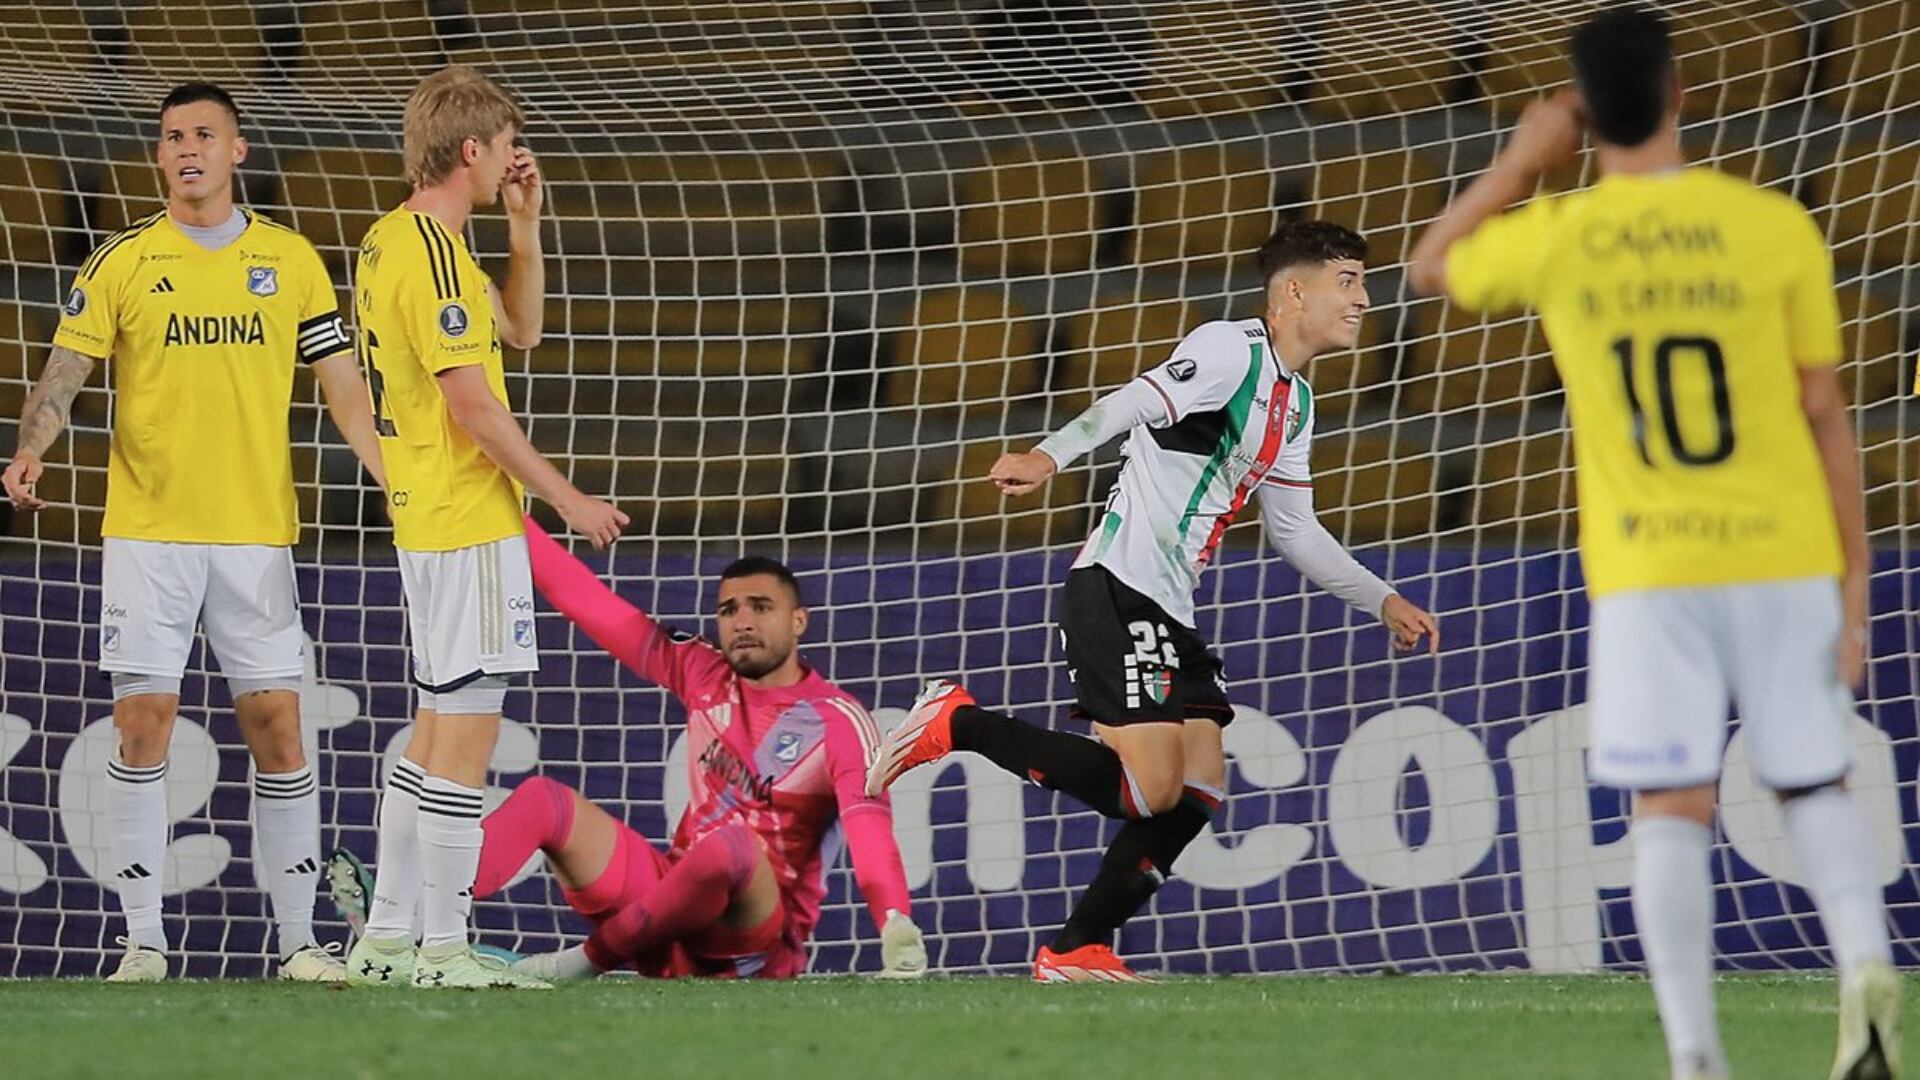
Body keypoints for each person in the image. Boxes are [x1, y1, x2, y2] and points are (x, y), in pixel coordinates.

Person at [1406, 8, 1899, 1079]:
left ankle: (1695, 1057)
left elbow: (1429, 266)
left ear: (1584, 117)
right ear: (1682, 92)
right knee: (1814, 781)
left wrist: (1522, 161)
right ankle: (1863, 962)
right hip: (1783, 551)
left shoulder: (1565, 233)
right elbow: (1826, 412)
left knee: (1668, 806)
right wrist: (1855, 585)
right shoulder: (1772, 225)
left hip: (1649, 564)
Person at [868, 219, 1440, 982]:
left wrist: (1382, 598)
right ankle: (957, 723)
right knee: (1150, 789)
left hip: (1170, 608)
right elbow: (1133, 401)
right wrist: (1047, 455)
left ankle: (1075, 948)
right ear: (1293, 291)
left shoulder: (1295, 402)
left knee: (1198, 788)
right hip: (1119, 586)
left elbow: (1295, 530)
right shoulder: (1228, 349)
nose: (1365, 299)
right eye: (1349, 281)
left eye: (1364, 282)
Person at [1, 82, 384, 983]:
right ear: (160, 155)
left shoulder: (290, 261)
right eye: (173, 136)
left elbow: (342, 383)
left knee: (278, 728)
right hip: (149, 533)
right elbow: (62, 376)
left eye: (205, 134)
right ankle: (142, 944)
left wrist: (388, 470)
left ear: (238, 151)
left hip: (255, 535)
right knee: (143, 724)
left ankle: (300, 943)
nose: (188, 148)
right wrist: (28, 451)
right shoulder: (122, 261)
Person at [343, 66, 626, 991]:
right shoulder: (427, 254)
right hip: (466, 521)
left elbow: (521, 332)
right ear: (473, 149)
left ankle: (386, 940)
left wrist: (524, 228)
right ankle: (442, 949)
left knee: (431, 731)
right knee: (465, 736)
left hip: (429, 521)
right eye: (507, 146)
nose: (516, 159)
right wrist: (567, 500)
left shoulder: (402, 242)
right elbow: (475, 407)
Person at [451, 519, 925, 981]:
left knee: (733, 844)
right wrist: (500, 513)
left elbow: (870, 830)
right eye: (729, 610)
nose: (742, 621)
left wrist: (893, 918)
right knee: (542, 801)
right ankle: (423, 924)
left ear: (798, 621)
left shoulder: (839, 722)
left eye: (761, 607)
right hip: (668, 918)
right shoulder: (701, 672)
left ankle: (579, 963)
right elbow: (586, 600)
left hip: (753, 943)